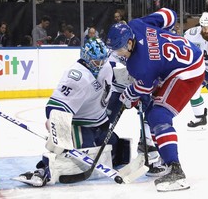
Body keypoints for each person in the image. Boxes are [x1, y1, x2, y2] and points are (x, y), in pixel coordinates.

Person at [106, 7, 205, 192]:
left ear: (129, 42)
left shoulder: (139, 65)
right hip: (183, 58)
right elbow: (169, 14)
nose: (118, 53)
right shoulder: (136, 25)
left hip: (187, 73)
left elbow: (144, 88)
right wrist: (161, 36)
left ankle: (176, 171)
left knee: (159, 115)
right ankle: (161, 155)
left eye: (119, 49)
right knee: (151, 111)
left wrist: (127, 95)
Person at [15, 38, 130, 187]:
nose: (101, 65)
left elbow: (119, 73)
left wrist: (133, 82)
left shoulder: (106, 64)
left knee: (119, 152)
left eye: (103, 60)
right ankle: (44, 171)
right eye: (97, 62)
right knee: (80, 161)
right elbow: (56, 106)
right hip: (81, 125)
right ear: (87, 58)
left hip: (101, 121)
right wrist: (57, 129)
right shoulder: (76, 77)